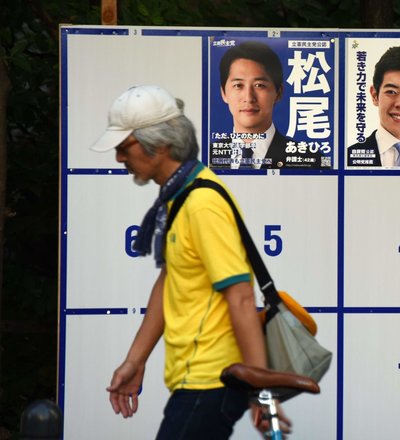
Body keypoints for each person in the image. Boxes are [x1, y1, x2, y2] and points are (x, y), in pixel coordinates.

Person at [91, 85, 290, 439]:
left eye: (124, 147)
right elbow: (171, 282)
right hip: (196, 380)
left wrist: (261, 391)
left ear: (161, 145)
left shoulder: (201, 204)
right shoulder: (179, 196)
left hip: (212, 380)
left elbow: (241, 297)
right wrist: (136, 360)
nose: (120, 158)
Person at [215, 40, 322, 169]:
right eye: (238, 85)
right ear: (224, 93)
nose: (249, 98)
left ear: (278, 93)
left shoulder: (311, 160)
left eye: (259, 85)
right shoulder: (202, 159)